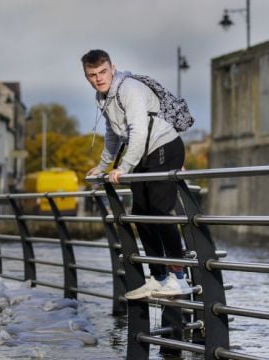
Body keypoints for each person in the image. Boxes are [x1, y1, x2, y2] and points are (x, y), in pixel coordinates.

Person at [82, 49, 191, 299]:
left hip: (164, 146)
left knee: (160, 211)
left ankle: (179, 277)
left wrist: (124, 167)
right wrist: (102, 167)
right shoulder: (103, 98)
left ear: (113, 67)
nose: (98, 78)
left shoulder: (128, 89)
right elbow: (112, 134)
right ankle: (159, 277)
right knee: (140, 215)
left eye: (102, 72)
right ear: (86, 76)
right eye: (92, 75)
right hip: (143, 152)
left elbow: (139, 131)